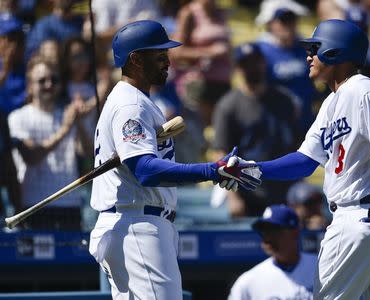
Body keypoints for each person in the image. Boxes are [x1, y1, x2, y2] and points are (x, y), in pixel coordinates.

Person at [227, 19, 370, 299]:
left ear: (334, 51)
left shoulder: (364, 89)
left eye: (314, 49)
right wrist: (253, 169)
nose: (308, 57)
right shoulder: (332, 102)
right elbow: (305, 161)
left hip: (359, 219)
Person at [87, 20, 261, 300]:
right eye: (159, 55)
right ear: (135, 60)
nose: (168, 61)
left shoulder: (134, 100)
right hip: (138, 224)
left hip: (135, 221)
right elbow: (144, 170)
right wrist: (211, 170)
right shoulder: (131, 104)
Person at [211, 42, 303, 217]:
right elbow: (221, 154)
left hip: (284, 190)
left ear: (264, 62)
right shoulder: (228, 105)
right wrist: (233, 197)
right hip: (248, 193)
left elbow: (298, 145)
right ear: (238, 68)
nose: (252, 68)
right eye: (246, 64)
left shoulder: (284, 100)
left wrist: (299, 190)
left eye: (256, 62)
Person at [7, 55, 91, 230]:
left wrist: (79, 123)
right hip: (34, 204)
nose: (49, 84)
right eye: (42, 80)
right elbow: (31, 156)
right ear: (30, 86)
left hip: (70, 203)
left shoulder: (67, 114)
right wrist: (65, 129)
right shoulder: (18, 117)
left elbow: (88, 155)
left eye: (54, 79)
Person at [228, 204, 316, 300]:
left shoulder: (320, 266)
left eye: (274, 231)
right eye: (264, 231)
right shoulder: (248, 281)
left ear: (295, 232)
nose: (267, 237)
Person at [254, 0, 318, 129]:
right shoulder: (260, 51)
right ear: (270, 23)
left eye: (292, 19)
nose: (289, 24)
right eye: (283, 19)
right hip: (276, 125)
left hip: (306, 122)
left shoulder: (304, 48)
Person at [170, 0, 232, 126]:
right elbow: (176, 52)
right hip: (198, 85)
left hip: (222, 84)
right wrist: (209, 52)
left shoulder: (220, 13)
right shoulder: (189, 13)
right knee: (201, 129)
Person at [0, 14, 26, 115]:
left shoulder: (30, 68)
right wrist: (5, 72)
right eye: (10, 39)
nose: (14, 45)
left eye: (19, 40)